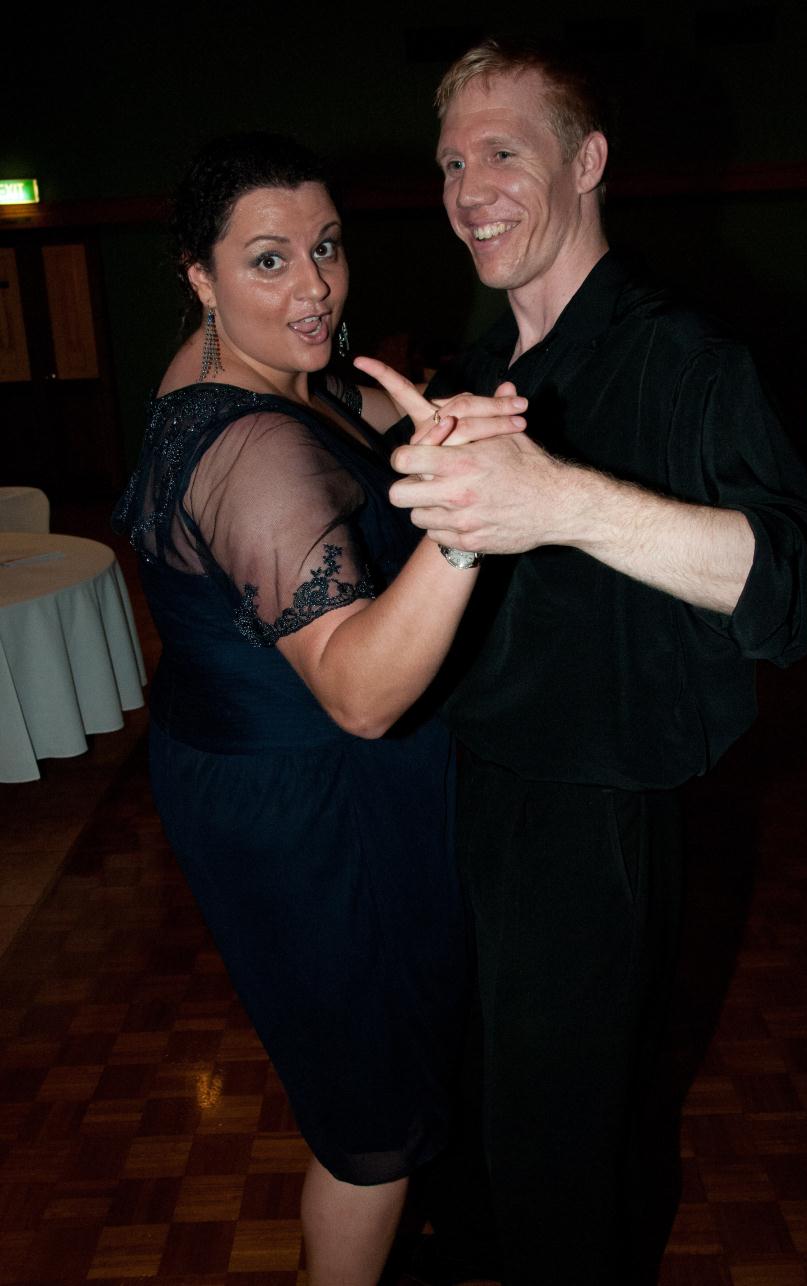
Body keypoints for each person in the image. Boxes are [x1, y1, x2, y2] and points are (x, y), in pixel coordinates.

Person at [369, 35, 807, 1286]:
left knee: (568, 1153)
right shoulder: (481, 371)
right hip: (475, 787)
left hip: (599, 819)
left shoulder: (688, 359)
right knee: (482, 1113)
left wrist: (564, 503)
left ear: (585, 162)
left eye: (500, 153)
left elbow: (798, 593)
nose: (467, 188)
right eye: (449, 163)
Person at [112, 131, 528, 1286]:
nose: (313, 287)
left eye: (326, 248)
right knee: (369, 1122)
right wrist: (464, 516)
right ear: (199, 276)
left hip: (254, 772)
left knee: (368, 1063)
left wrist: (437, 430)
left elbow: (347, 434)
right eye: (268, 259)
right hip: (317, 801)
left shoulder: (253, 375)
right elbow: (358, 692)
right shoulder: (251, 450)